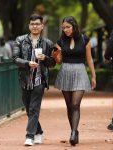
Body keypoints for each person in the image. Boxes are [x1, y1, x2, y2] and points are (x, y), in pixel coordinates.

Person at [12, 14, 55, 146]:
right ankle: (39, 131)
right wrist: (27, 63)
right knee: (28, 107)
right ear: (29, 26)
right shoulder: (20, 40)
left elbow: (53, 63)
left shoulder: (48, 43)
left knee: (34, 108)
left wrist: (45, 58)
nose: (34, 26)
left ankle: (29, 136)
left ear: (42, 26)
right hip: (25, 79)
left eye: (37, 24)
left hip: (39, 80)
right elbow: (14, 59)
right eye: (32, 24)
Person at [54, 16, 96, 146]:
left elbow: (89, 59)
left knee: (75, 104)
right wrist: (56, 56)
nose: (65, 29)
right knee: (68, 106)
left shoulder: (84, 39)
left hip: (80, 72)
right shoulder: (60, 41)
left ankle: (73, 132)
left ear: (74, 26)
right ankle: (74, 132)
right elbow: (59, 61)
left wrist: (93, 76)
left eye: (68, 27)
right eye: (64, 27)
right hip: (65, 72)